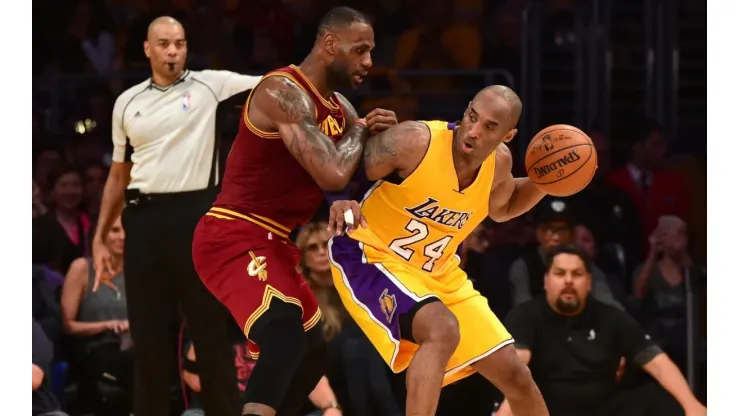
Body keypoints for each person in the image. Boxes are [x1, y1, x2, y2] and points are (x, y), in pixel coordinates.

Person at [191, 6, 397, 416]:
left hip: (276, 242)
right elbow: (334, 173)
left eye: (371, 51)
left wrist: (401, 141)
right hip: (233, 233)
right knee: (284, 335)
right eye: (360, 51)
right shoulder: (280, 91)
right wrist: (359, 134)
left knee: (312, 352)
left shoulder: (341, 107)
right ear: (330, 44)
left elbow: (353, 177)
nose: (369, 62)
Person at [326, 85, 549, 416]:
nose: (473, 131)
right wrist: (339, 197)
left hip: (438, 272)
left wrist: (546, 181)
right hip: (369, 254)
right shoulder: (415, 141)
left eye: (490, 126)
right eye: (472, 116)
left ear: (508, 135)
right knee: (441, 329)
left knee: (517, 377)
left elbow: (503, 208)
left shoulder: (499, 163)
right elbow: (339, 166)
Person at [92, 16, 262, 416]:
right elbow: (119, 174)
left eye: (180, 44)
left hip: (197, 217)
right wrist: (101, 235)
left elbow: (271, 83)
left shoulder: (210, 85)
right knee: (149, 340)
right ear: (148, 49)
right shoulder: (127, 101)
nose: (173, 51)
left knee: (210, 336)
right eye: (164, 44)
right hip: (144, 219)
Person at [499, 245, 706, 416]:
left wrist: (691, 405)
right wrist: (509, 405)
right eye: (560, 273)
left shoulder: (611, 317)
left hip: (603, 407)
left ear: (588, 282)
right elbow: (517, 367)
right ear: (546, 281)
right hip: (547, 407)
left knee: (659, 399)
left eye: (577, 274)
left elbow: (657, 362)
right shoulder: (526, 315)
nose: (569, 280)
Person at [61, 216, 132, 414]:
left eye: (126, 230)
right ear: (100, 234)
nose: (123, 237)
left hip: (131, 349)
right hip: (92, 350)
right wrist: (109, 325)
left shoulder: (139, 271)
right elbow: (68, 325)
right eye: (115, 230)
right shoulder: (82, 268)